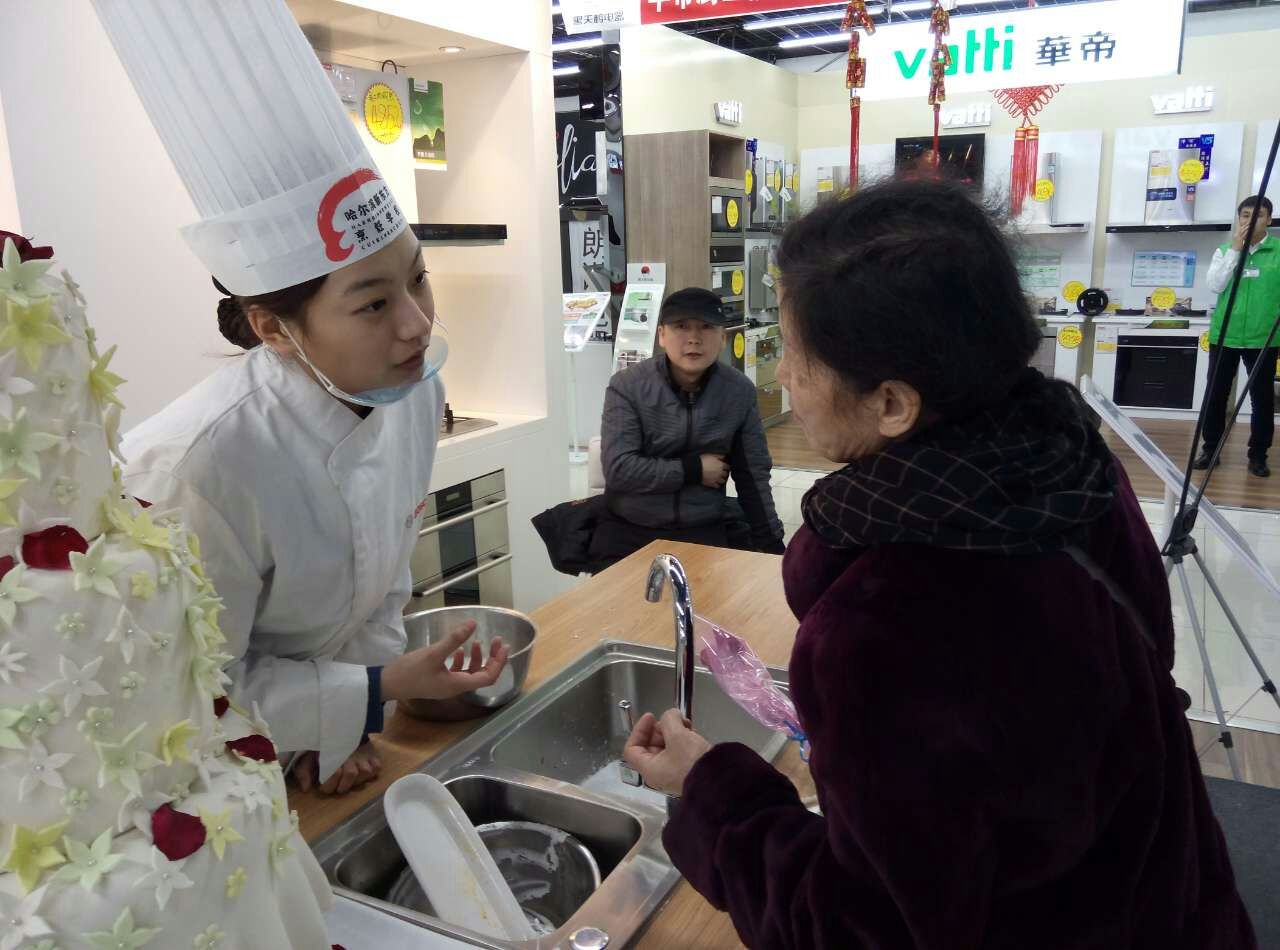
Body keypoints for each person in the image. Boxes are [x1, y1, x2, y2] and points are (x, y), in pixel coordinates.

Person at [624, 181, 1255, 948]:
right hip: (1169, 899)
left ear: (892, 403)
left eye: (794, 351)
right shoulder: (1072, 471)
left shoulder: (882, 626)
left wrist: (712, 793)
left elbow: (858, 929)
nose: (782, 375)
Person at [591, 287, 785, 567]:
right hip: (630, 529)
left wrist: (772, 544)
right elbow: (620, 469)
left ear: (723, 338)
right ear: (661, 335)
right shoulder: (628, 386)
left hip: (703, 528)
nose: (693, 338)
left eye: (706, 327)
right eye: (681, 327)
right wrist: (693, 470)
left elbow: (752, 475)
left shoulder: (738, 391)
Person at [1196, 195, 1278, 477]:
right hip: (1225, 335)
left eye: (1258, 215)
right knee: (1216, 396)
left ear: (1269, 219)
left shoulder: (1279, 252)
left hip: (1263, 338)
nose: (1250, 220)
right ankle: (1210, 450)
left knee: (1262, 399)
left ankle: (1258, 455)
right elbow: (1215, 285)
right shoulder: (1224, 250)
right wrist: (1234, 250)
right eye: (1244, 215)